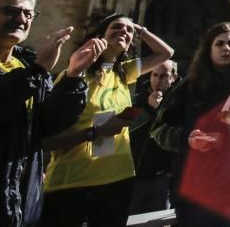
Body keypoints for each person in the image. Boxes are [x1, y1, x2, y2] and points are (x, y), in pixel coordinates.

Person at [0, 0, 101, 227]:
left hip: (22, 201)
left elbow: (51, 124)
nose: (21, 18)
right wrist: (38, 71)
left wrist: (73, 77)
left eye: (28, 14)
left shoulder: (28, 64)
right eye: (11, 11)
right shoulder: (33, 68)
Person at [42, 12, 174, 227]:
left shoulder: (124, 72)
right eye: (116, 27)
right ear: (99, 35)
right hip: (73, 181)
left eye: (129, 30)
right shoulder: (75, 76)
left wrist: (139, 30)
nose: (124, 31)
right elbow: (47, 141)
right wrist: (96, 132)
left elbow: (166, 53)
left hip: (118, 178)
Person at [151, 22, 230, 227]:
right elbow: (159, 128)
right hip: (198, 187)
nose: (226, 48)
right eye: (219, 43)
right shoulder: (190, 86)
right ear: (208, 49)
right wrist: (187, 138)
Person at [129, 59, 179, 215]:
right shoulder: (137, 99)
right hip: (135, 176)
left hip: (162, 177)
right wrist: (149, 109)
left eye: (163, 76)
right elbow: (127, 128)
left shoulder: (179, 103)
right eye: (154, 75)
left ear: (173, 77)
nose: (157, 80)